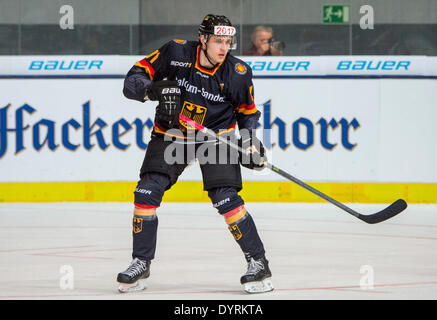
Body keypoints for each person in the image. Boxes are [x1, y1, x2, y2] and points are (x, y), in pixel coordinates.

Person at [117, 14, 273, 294]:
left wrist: (249, 140)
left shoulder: (237, 73)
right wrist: (152, 90)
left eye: (228, 42)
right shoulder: (176, 52)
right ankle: (141, 261)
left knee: (226, 198)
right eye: (218, 41)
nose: (224, 48)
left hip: (216, 138)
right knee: (146, 192)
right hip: (173, 132)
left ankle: (258, 262)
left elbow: (248, 113)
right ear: (203, 40)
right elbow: (132, 80)